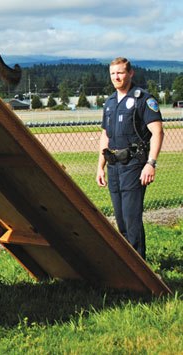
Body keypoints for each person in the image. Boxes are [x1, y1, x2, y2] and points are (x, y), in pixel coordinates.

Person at [96, 57, 164, 259]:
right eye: (113, 73)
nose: (116, 77)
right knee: (120, 220)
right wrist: (100, 166)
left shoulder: (143, 99)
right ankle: (128, 263)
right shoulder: (109, 103)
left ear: (130, 73)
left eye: (120, 72)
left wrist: (151, 164)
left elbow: (158, 132)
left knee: (131, 217)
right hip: (114, 166)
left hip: (134, 165)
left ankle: (140, 269)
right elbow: (105, 136)